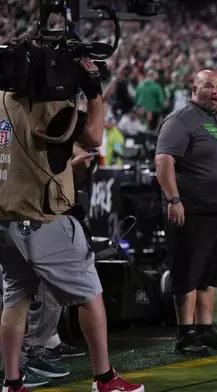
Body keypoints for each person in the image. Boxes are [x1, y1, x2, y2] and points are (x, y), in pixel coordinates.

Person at [0, 59, 142, 392]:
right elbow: (93, 136)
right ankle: (105, 378)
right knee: (90, 294)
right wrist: (94, 91)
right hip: (41, 216)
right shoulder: (50, 103)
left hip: (6, 216)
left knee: (15, 300)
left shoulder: (2, 100)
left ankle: (12, 381)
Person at [155, 70, 217, 355]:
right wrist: (174, 200)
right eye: (209, 86)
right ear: (194, 89)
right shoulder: (181, 119)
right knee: (188, 271)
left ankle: (205, 330)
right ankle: (185, 334)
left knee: (210, 274)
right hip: (192, 208)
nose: (216, 91)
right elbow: (163, 161)